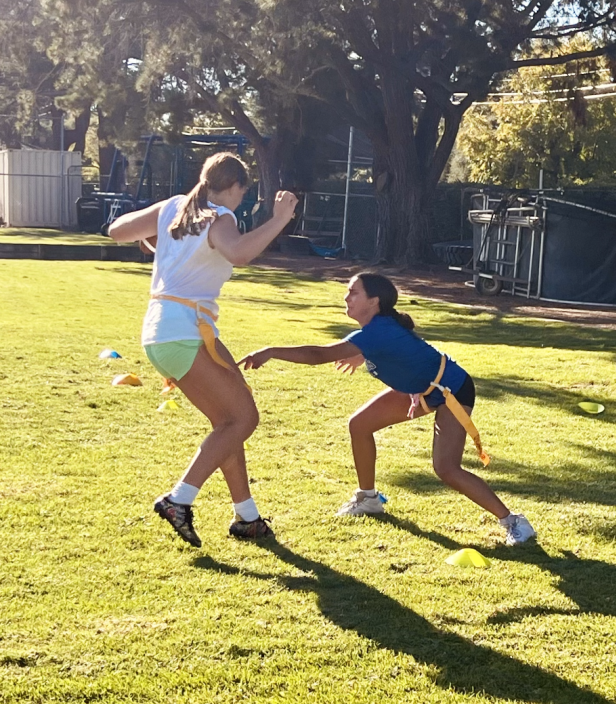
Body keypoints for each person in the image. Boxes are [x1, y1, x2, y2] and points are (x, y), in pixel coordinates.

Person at [238, 273, 537, 546]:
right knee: (360, 425)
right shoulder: (374, 332)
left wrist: (271, 351)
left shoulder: (376, 332)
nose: (346, 298)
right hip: (422, 390)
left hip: (451, 391)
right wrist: (362, 356)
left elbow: (319, 355)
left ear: (374, 301)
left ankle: (514, 522)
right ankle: (368, 499)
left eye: (353, 292)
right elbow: (399, 352)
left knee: (446, 468)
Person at [106, 152, 299, 547]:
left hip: (164, 331)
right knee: (243, 419)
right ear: (236, 187)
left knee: (230, 420)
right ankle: (179, 499)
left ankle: (247, 517)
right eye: (243, 193)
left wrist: (157, 236)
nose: (241, 200)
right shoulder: (220, 217)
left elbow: (117, 231)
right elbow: (240, 254)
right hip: (184, 332)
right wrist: (279, 219)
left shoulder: (176, 207)